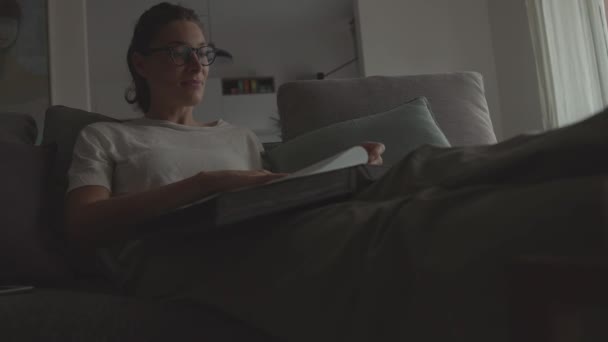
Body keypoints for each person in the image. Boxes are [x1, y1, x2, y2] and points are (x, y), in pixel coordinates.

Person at [65, 3, 608, 341]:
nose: (197, 65)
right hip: (176, 252)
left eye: (203, 53)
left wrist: (346, 172)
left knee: (411, 169)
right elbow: (83, 226)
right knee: (374, 230)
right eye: (179, 52)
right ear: (141, 62)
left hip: (261, 221)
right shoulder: (107, 136)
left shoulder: (239, 136)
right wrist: (204, 184)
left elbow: (268, 197)